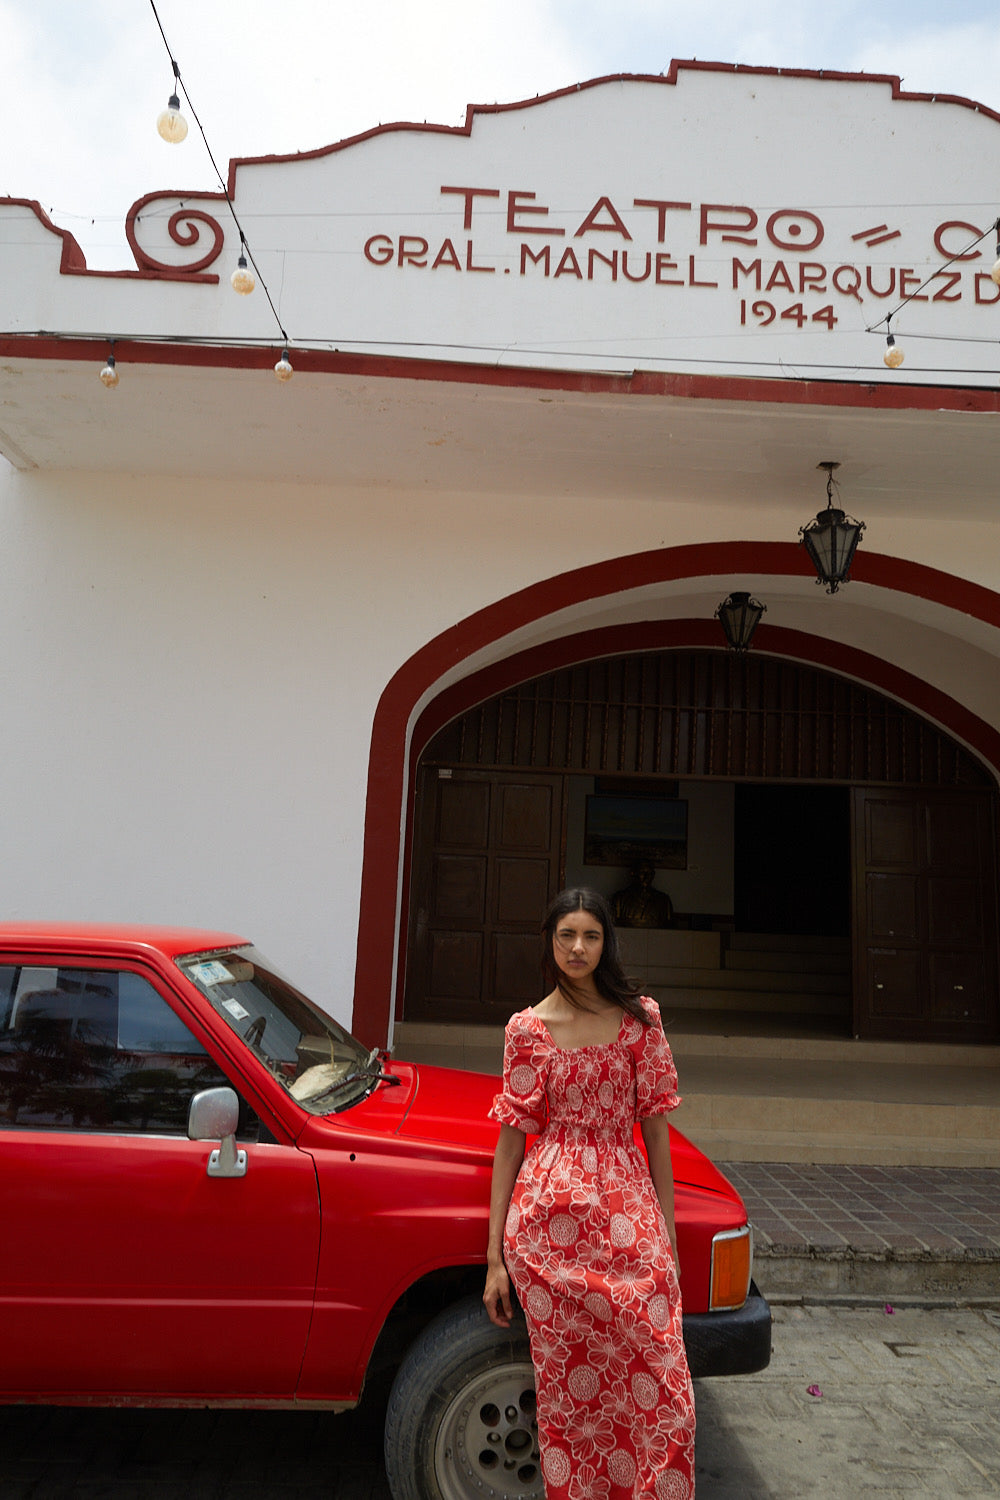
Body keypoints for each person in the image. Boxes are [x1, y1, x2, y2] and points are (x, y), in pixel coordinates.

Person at [484, 887, 695, 1500]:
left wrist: (669, 1240)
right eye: (566, 935)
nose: (578, 948)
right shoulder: (527, 1029)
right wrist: (495, 1256)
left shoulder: (640, 1022)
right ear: (550, 943)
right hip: (548, 1225)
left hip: (628, 1209)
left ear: (607, 944)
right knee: (569, 1390)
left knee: (664, 1379)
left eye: (591, 936)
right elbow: (510, 1143)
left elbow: (656, 1136)